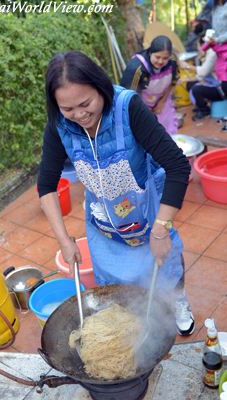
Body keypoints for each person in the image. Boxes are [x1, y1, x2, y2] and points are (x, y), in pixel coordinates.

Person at [37, 50, 195, 336]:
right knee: (116, 281)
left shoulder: (128, 108)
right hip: (104, 223)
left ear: (101, 87)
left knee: (166, 267)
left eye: (86, 103)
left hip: (148, 215)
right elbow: (46, 186)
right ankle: (133, 315)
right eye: (68, 109)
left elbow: (177, 166)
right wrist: (64, 240)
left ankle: (177, 301)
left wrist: (160, 230)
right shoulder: (59, 127)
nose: (80, 115)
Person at [120, 36, 179, 135]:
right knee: (146, 132)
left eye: (165, 58)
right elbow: (127, 96)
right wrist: (144, 113)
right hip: (139, 103)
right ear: (151, 52)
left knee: (166, 131)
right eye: (157, 57)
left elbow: (173, 82)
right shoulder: (136, 67)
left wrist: (162, 102)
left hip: (162, 100)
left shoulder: (172, 62)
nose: (160, 61)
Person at [191, 0, 227, 120]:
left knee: (196, 88)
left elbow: (202, 72)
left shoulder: (213, 52)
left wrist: (216, 41)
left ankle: (204, 110)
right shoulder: (213, 7)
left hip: (221, 87)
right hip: (220, 79)